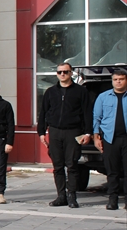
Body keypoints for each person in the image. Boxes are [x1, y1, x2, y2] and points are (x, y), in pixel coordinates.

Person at [37, 63, 92, 208]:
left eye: (65, 72)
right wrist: (41, 132)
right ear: (56, 74)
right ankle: (61, 196)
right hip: (55, 131)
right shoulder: (50, 92)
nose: (62, 74)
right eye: (60, 72)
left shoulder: (80, 91)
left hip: (73, 132)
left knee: (72, 165)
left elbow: (87, 113)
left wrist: (88, 132)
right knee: (58, 166)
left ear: (71, 73)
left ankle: (72, 196)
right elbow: (43, 112)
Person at [93, 69, 127, 210]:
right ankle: (112, 199)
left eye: (121, 79)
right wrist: (96, 137)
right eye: (115, 79)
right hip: (110, 139)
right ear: (112, 81)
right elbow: (96, 118)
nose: (118, 82)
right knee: (112, 170)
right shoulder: (103, 97)